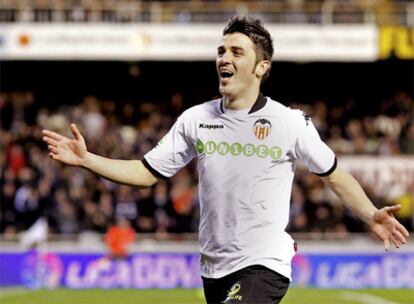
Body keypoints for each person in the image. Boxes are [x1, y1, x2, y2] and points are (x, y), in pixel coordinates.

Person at [42, 16, 409, 304]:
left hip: (264, 263)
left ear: (262, 67)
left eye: (236, 52)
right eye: (222, 51)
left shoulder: (289, 122)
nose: (224, 58)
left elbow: (333, 174)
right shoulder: (195, 119)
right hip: (213, 268)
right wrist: (88, 159)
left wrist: (370, 213)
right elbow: (145, 172)